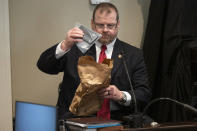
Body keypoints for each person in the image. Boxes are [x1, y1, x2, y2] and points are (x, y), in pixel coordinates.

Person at [37, 3, 151, 121]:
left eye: (110, 25)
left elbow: (144, 93)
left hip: (115, 121)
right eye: (100, 25)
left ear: (118, 24)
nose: (105, 30)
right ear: (92, 24)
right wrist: (65, 45)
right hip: (73, 120)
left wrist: (121, 96)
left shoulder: (133, 54)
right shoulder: (75, 47)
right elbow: (44, 66)